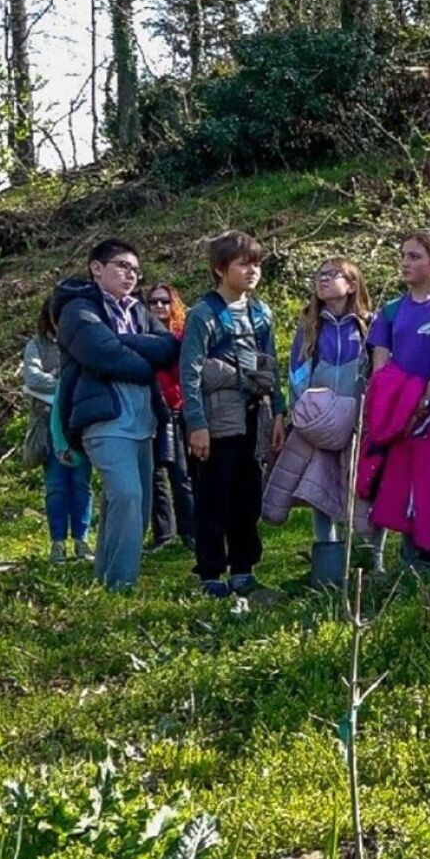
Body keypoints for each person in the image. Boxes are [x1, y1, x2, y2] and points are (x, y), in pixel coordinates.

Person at [52, 239, 179, 591]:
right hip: (104, 419)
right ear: (96, 268)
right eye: (123, 266)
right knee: (126, 494)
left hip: (144, 420)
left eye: (136, 270)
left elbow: (168, 346)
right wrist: (143, 360)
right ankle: (122, 584)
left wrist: (124, 342)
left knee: (130, 506)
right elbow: (103, 353)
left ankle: (106, 580)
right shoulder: (76, 309)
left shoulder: (139, 311)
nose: (131, 275)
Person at [180, 231, 282, 598]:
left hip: (256, 416)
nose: (252, 270)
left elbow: (271, 366)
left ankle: (243, 569)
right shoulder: (203, 314)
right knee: (213, 495)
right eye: (243, 263)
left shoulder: (262, 312)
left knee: (248, 495)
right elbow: (189, 373)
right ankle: (210, 572)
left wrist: (280, 412)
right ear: (221, 269)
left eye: (256, 263)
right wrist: (197, 424)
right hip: (217, 418)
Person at [266, 258, 374, 576]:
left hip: (358, 420)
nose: (323, 281)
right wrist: (306, 414)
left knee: (360, 486)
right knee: (319, 484)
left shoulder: (370, 324)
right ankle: (327, 560)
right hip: (319, 423)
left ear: (352, 284)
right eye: (319, 276)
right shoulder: (309, 327)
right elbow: (297, 375)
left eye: (332, 275)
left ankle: (368, 560)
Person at [367, 232, 430, 569]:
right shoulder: (390, 311)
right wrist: (400, 406)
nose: (405, 263)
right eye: (403, 256)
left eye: (414, 257)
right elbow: (380, 365)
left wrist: (424, 403)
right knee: (403, 481)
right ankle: (409, 562)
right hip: (399, 416)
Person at [22, 297, 93, 563]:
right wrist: (65, 382)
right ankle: (57, 542)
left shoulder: (80, 342)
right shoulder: (37, 345)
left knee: (81, 484)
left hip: (78, 423)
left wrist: (59, 381)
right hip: (48, 424)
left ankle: (82, 540)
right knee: (56, 485)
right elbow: (33, 378)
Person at [145, 283, 195, 552]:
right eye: (153, 302)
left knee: (182, 473)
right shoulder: (141, 333)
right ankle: (163, 534)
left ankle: (190, 530)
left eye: (164, 301)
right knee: (155, 474)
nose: (159, 307)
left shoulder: (182, 334)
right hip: (151, 409)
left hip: (177, 408)